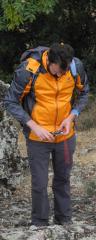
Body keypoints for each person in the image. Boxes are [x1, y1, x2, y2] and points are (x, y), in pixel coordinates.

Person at [4, 43, 89, 226]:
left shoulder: (75, 67)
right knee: (40, 183)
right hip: (38, 136)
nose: (59, 75)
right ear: (49, 61)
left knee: (63, 178)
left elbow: (84, 93)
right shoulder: (29, 70)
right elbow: (10, 101)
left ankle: (64, 220)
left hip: (65, 135)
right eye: (56, 71)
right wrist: (33, 126)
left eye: (62, 72)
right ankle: (40, 223)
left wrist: (73, 116)